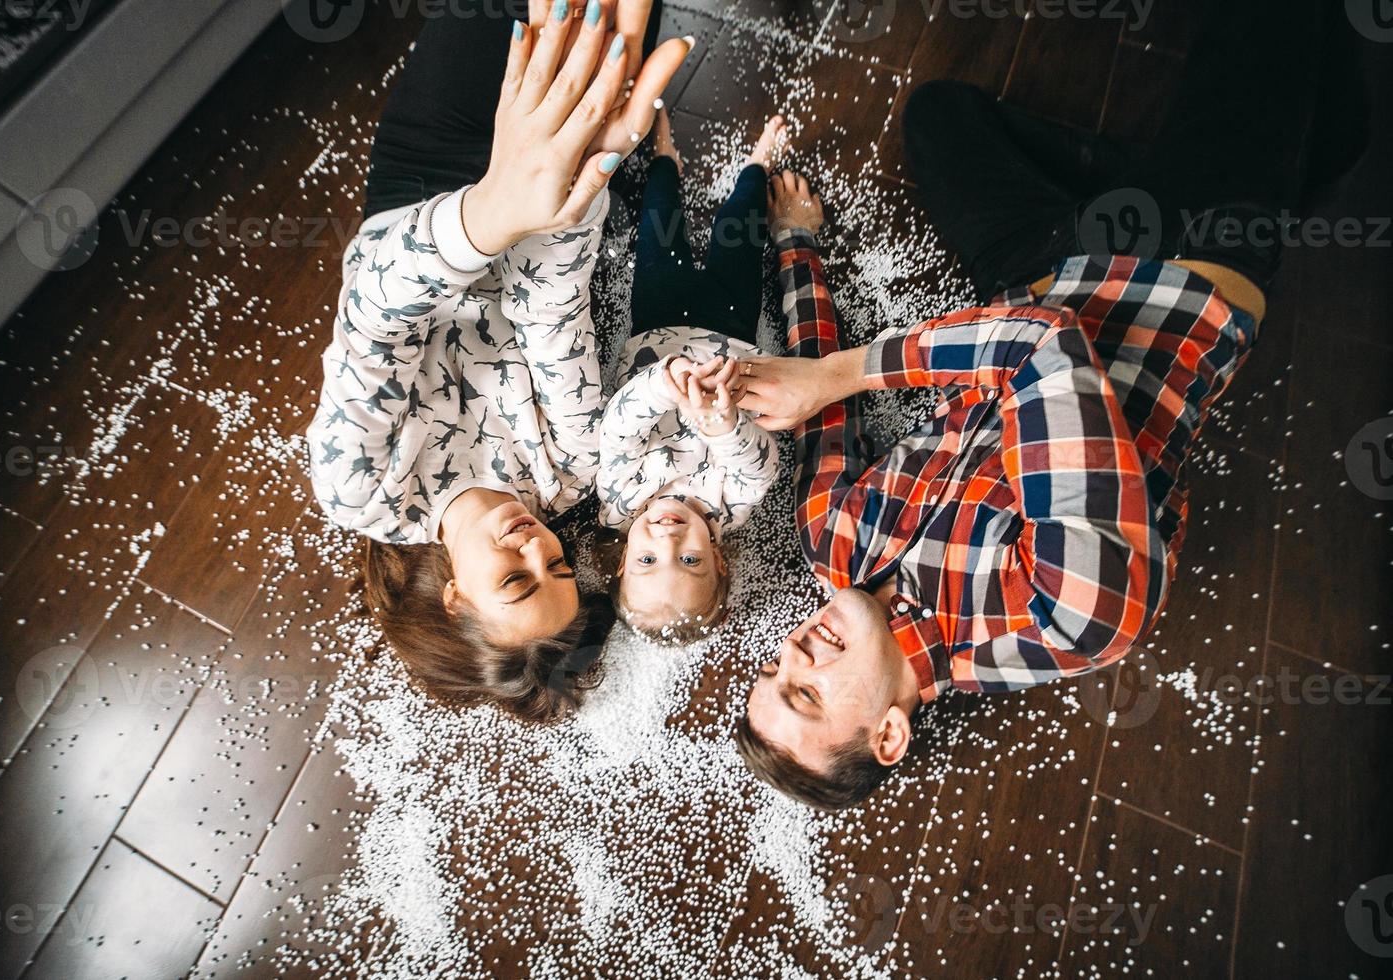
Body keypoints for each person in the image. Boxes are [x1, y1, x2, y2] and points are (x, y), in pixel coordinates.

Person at [729, 0, 1360, 809]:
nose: (793, 653)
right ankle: (1233, 164)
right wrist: (847, 376)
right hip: (1187, 277)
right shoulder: (1065, 619)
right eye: (807, 693)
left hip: (1034, 270)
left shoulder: (833, 548)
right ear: (890, 733)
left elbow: (813, 389)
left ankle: (1220, 161)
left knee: (938, 117)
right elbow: (1039, 348)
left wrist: (796, 245)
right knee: (1272, 32)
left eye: (773, 669)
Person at [307, 0, 690, 723]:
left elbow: (377, 311)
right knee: (607, 35)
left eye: (516, 580)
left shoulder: (361, 491)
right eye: (556, 566)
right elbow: (552, 306)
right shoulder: (568, 466)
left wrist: (498, 204)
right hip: (545, 178)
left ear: (455, 600)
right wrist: (580, 172)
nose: (535, 547)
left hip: (424, 180)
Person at [595, 112, 793, 643]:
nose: (666, 535)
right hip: (730, 333)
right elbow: (760, 468)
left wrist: (663, 385)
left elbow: (616, 428)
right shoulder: (728, 506)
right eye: (688, 559)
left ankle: (665, 155)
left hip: (655, 327)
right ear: (720, 562)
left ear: (621, 562)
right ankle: (756, 165)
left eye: (646, 558)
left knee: (661, 223)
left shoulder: (619, 502)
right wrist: (722, 426)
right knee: (741, 234)